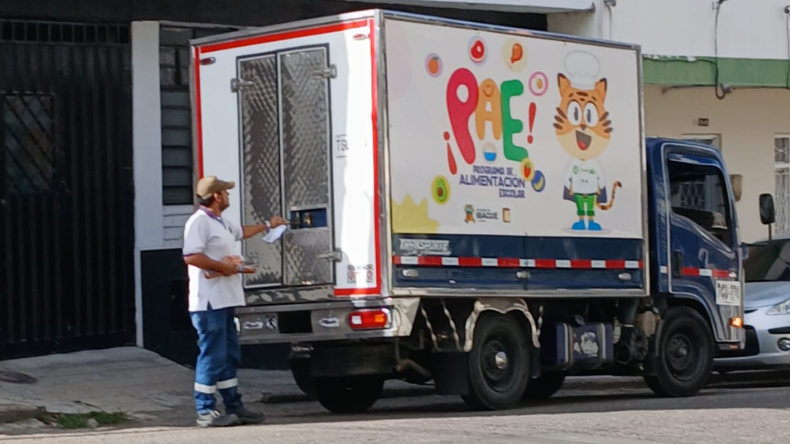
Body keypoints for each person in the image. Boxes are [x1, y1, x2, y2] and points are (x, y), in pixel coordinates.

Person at [182, 175, 286, 428]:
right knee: (212, 355)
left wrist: (267, 225)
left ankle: (233, 405)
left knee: (229, 355)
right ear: (217, 196)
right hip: (208, 303)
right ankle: (205, 411)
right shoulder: (199, 223)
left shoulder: (221, 222)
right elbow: (191, 256)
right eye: (226, 192)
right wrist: (224, 267)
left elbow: (241, 232)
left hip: (225, 300)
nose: (229, 196)